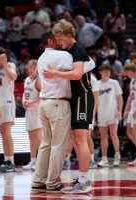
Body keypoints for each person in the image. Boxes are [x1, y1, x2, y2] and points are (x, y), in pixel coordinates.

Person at [32, 31, 95, 194]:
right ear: (50, 40)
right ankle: (53, 182)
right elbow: (86, 66)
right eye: (56, 39)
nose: (59, 41)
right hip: (58, 104)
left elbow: (38, 84)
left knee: (45, 144)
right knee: (58, 145)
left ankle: (39, 181)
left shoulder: (40, 58)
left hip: (44, 103)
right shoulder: (62, 56)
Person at [0, 47, 17, 172]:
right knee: (2, 133)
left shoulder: (10, 65)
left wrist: (5, 63)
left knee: (7, 131)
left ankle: (11, 161)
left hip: (7, 102)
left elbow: (13, 77)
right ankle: (6, 159)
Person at [97, 64, 123, 167]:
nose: (107, 72)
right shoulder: (97, 84)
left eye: (108, 70)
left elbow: (120, 98)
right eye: (104, 70)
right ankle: (104, 159)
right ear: (100, 72)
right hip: (101, 113)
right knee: (103, 137)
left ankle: (117, 156)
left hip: (113, 112)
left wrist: (120, 111)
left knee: (113, 134)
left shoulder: (114, 83)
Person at [22, 59, 42, 170]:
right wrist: (23, 102)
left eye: (33, 68)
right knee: (31, 137)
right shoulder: (26, 80)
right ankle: (33, 161)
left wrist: (33, 102)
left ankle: (41, 162)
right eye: (30, 67)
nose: (31, 70)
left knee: (39, 137)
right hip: (29, 111)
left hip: (37, 110)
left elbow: (43, 95)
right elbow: (25, 94)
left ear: (37, 69)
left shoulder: (39, 81)